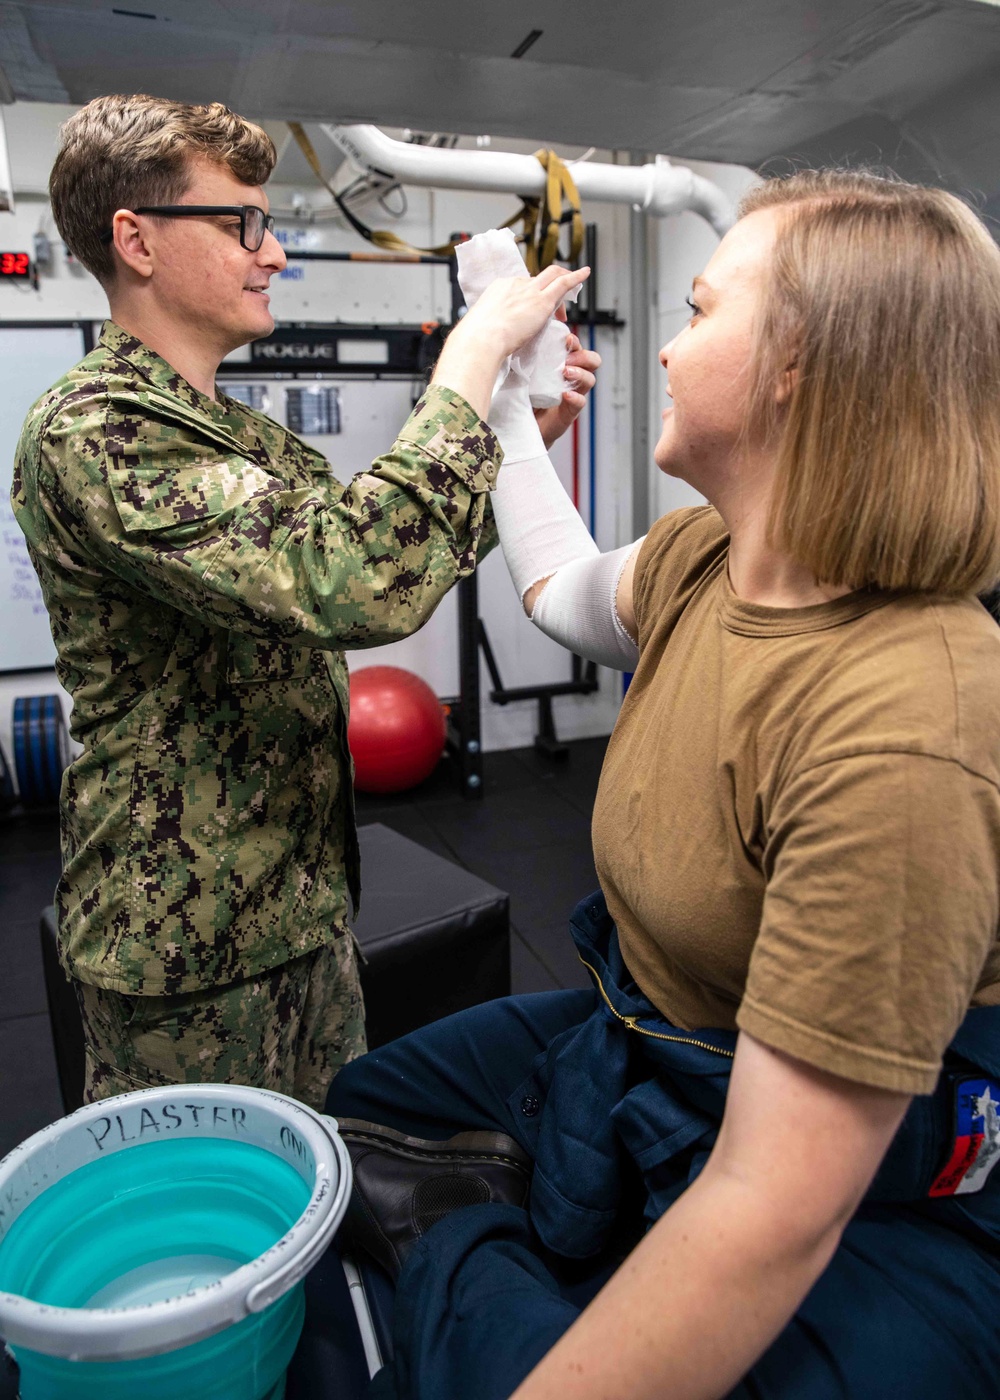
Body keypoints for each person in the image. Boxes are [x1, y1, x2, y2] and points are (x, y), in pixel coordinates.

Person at [329, 169, 1000, 1399]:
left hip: (875, 1168)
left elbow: (770, 1206)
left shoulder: (907, 719)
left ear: (800, 365)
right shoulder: (707, 556)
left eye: (698, 311)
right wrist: (506, 397)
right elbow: (552, 578)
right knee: (357, 1121)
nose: (672, 349)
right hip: (661, 1025)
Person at [12, 93, 597, 1111]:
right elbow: (357, 579)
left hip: (299, 908)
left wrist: (521, 435)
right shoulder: (95, 431)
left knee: (330, 1190)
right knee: (212, 1233)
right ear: (136, 239)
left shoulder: (243, 439)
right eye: (241, 223)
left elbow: (391, 544)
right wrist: (470, 355)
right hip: (184, 948)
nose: (273, 252)